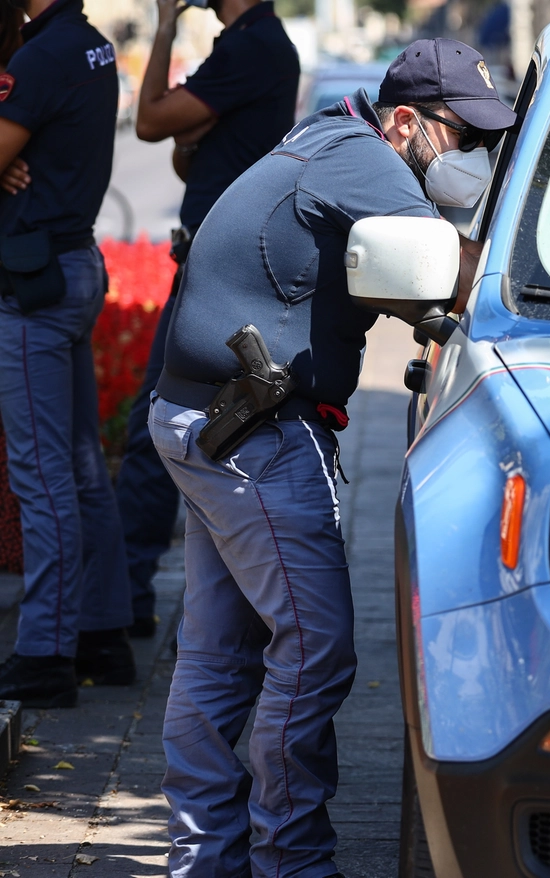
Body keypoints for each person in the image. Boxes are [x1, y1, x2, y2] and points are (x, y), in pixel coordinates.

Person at [151, 38, 512, 877]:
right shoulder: (366, 161)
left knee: (217, 656)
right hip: (255, 434)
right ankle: (293, 860)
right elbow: (463, 278)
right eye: (464, 138)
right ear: (408, 122)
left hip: (206, 421)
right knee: (315, 650)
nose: (473, 160)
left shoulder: (331, 138)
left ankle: (203, 859)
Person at [117, 0, 299, 639]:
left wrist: (165, 24)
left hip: (214, 277)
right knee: (201, 434)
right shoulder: (247, 45)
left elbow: (149, 123)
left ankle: (128, 599)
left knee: (163, 429)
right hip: (216, 267)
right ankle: (160, 602)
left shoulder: (252, 47)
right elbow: (184, 156)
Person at [0, 0, 135, 708]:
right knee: (82, 466)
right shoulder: (90, 46)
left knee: (43, 473)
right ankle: (102, 635)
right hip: (74, 264)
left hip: (34, 284)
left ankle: (46, 653)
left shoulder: (42, 56)